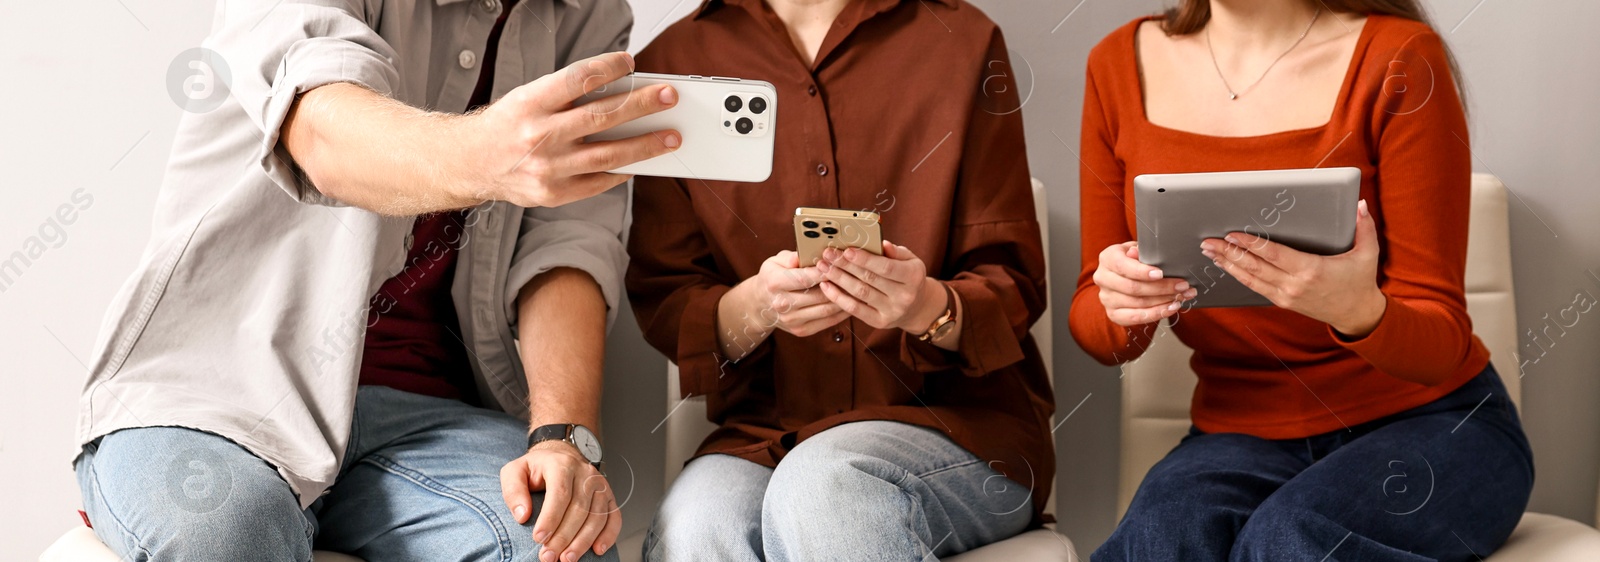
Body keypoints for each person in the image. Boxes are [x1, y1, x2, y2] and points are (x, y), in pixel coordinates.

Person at [71, 2, 680, 561]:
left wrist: (562, 437)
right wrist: (486, 154)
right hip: (219, 395)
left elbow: (567, 247)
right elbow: (319, 127)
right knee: (228, 536)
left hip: (427, 416)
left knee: (559, 546)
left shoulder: (589, 13)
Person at [1071, 0, 1533, 559]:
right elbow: (1095, 325)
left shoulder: (1402, 57)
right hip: (1237, 433)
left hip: (1436, 421)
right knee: (1157, 542)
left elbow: (1442, 342)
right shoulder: (1115, 62)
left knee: (1290, 541)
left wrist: (1356, 309)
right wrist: (1122, 301)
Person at [624, 0, 1055, 560]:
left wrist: (924, 306)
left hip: (957, 431)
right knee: (696, 531)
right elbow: (668, 301)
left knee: (827, 486)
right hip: (761, 436)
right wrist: (758, 306)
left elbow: (1012, 282)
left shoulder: (962, 40)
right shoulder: (675, 62)